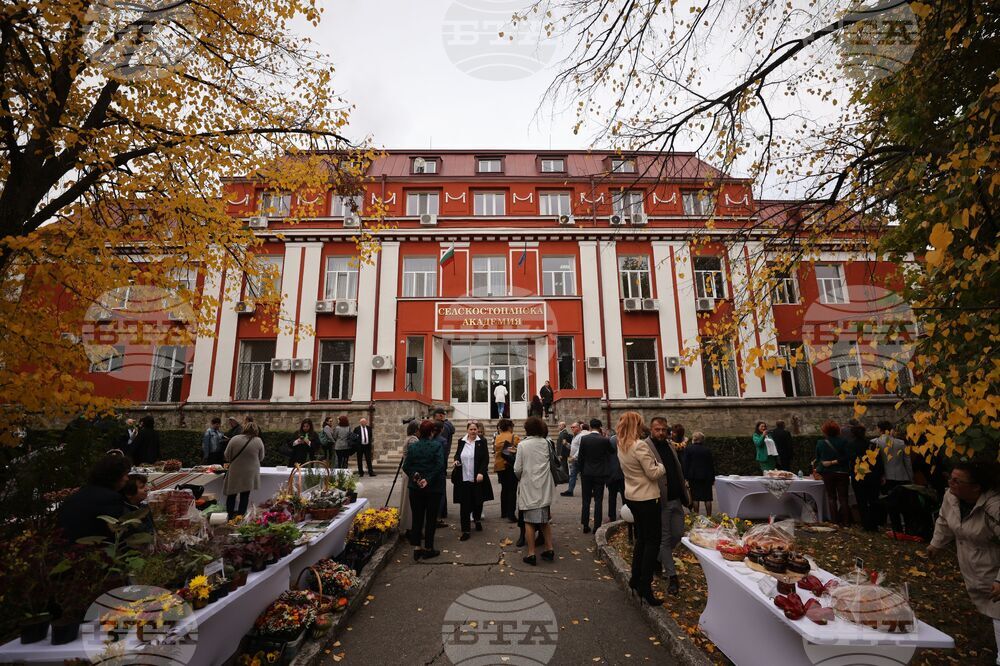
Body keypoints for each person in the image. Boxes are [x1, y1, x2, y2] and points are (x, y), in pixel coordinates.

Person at [927, 462, 1000, 664]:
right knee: (989, 608)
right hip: (973, 567)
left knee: (998, 611)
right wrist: (936, 544)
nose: (951, 483)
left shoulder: (994, 507)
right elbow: (944, 520)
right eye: (950, 478)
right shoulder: (952, 497)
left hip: (993, 567)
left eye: (957, 481)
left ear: (976, 487)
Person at [617, 411, 666, 606]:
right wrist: (661, 466)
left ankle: (635, 578)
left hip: (633, 497)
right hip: (647, 497)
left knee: (641, 540)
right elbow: (654, 473)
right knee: (652, 541)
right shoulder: (640, 446)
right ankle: (645, 584)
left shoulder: (621, 445)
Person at [649, 416, 691, 594]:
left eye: (663, 429)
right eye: (657, 429)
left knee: (678, 534)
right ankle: (672, 577)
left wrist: (685, 492)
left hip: (676, 498)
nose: (660, 432)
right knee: (665, 539)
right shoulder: (646, 446)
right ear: (651, 429)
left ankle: (657, 559)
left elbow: (677, 469)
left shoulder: (670, 445)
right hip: (661, 500)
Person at [59, 454, 134, 542]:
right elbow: (116, 533)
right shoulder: (110, 499)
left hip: (69, 546)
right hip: (91, 549)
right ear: (115, 476)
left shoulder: (83, 492)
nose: (127, 479)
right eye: (125, 475)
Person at [514, 416, 556, 565]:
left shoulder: (522, 445)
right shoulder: (546, 442)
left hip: (529, 485)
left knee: (529, 521)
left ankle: (531, 553)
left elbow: (517, 469)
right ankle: (549, 549)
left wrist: (521, 477)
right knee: (545, 519)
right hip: (544, 485)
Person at [403, 420, 447, 560]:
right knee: (431, 518)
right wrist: (427, 479)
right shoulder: (436, 445)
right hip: (433, 488)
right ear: (432, 432)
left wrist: (415, 476)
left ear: (420, 432)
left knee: (417, 517)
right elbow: (440, 465)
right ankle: (428, 548)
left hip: (415, 488)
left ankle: (417, 548)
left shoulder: (414, 447)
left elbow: (406, 466)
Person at [451, 422, 494, 540]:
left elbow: (485, 459)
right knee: (465, 505)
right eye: (471, 429)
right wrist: (456, 460)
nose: (473, 431)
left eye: (475, 429)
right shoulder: (461, 441)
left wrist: (481, 472)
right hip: (463, 478)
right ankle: (466, 530)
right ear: (467, 430)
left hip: (477, 478)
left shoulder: (482, 442)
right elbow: (457, 455)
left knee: (478, 502)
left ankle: (477, 519)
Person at [577, 418, 614, 534]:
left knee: (586, 500)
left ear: (591, 427)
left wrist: (581, 470)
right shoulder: (604, 440)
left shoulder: (584, 439)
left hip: (586, 473)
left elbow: (581, 457)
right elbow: (612, 452)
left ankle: (585, 525)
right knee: (598, 500)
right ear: (600, 427)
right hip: (600, 473)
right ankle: (596, 526)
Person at [223, 421, 265, 519]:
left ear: (244, 428)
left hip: (235, 470)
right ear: (256, 430)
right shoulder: (258, 441)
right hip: (250, 472)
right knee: (244, 495)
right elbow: (261, 457)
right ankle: (240, 517)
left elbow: (227, 456)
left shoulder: (234, 439)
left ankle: (229, 517)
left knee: (231, 494)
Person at [849, 423, 884, 532]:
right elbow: (879, 462)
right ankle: (874, 524)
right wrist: (880, 474)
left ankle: (865, 524)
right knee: (874, 500)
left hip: (859, 476)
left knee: (861, 501)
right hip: (873, 476)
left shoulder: (851, 445)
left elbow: (850, 461)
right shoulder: (872, 445)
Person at [815, 420, 851, 525]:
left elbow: (818, 458)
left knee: (831, 497)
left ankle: (834, 521)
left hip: (828, 473)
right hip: (842, 472)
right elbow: (848, 457)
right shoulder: (844, 441)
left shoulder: (820, 443)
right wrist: (835, 461)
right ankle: (846, 521)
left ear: (825, 431)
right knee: (843, 498)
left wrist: (829, 462)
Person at [493, 419, 520, 522]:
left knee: (504, 489)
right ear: (509, 427)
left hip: (499, 466)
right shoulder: (514, 437)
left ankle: (503, 512)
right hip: (510, 465)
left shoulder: (497, 437)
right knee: (512, 490)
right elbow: (518, 451)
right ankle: (511, 514)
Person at [683, 431, 716, 516]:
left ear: (694, 439)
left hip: (694, 477)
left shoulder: (689, 449)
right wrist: (712, 478)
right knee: (708, 498)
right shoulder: (707, 450)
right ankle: (709, 516)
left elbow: (686, 464)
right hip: (706, 476)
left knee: (695, 498)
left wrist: (685, 477)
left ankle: (696, 517)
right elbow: (711, 465)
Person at [874, 421, 912, 492]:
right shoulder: (901, 443)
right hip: (902, 476)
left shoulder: (875, 442)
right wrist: (911, 478)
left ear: (879, 429)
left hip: (885, 477)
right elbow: (908, 462)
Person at [434, 407, 456, 524]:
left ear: (441, 416)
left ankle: (439, 513)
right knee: (441, 486)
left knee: (439, 487)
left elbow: (442, 443)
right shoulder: (448, 426)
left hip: (440, 460)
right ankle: (443, 511)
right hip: (443, 458)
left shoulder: (444, 428)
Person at [399, 420, 420, 540]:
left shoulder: (410, 438)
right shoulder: (413, 440)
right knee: (409, 501)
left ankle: (409, 526)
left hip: (408, 472)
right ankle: (409, 526)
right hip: (411, 472)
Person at [560, 421, 588, 497]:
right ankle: (570, 491)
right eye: (571, 427)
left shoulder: (581, 436)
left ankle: (587, 491)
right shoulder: (574, 436)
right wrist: (567, 444)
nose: (572, 428)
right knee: (573, 475)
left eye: (574, 427)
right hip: (575, 460)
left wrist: (573, 457)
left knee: (583, 476)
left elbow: (580, 448)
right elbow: (573, 447)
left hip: (579, 459)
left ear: (579, 428)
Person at [606, 432, 625, 523]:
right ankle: (626, 514)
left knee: (612, 496)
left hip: (612, 472)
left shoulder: (611, 440)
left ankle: (612, 516)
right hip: (623, 472)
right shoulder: (625, 441)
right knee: (625, 496)